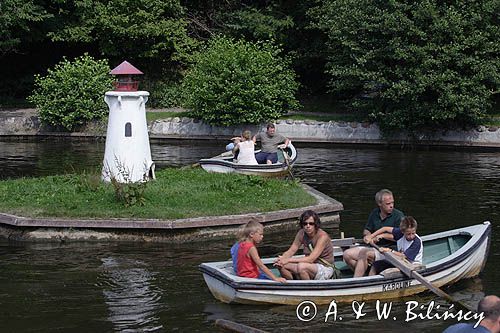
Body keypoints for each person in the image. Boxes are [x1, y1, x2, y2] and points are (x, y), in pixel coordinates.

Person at [343, 189, 405, 277]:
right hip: (374, 248)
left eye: (392, 203)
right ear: (380, 204)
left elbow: (401, 237)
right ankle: (364, 273)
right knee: (347, 254)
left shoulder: (398, 216)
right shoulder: (374, 213)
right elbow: (367, 230)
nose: (391, 206)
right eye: (388, 204)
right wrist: (367, 236)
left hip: (390, 251)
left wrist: (382, 236)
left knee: (364, 253)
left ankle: (356, 280)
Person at [273, 210, 335, 280]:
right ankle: (292, 286)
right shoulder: (301, 233)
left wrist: (288, 260)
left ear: (316, 224)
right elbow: (291, 250)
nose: (308, 226)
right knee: (281, 265)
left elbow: (311, 259)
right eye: (305, 224)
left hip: (325, 267)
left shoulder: (322, 237)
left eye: (311, 223)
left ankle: (308, 289)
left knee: (302, 267)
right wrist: (282, 259)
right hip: (309, 265)